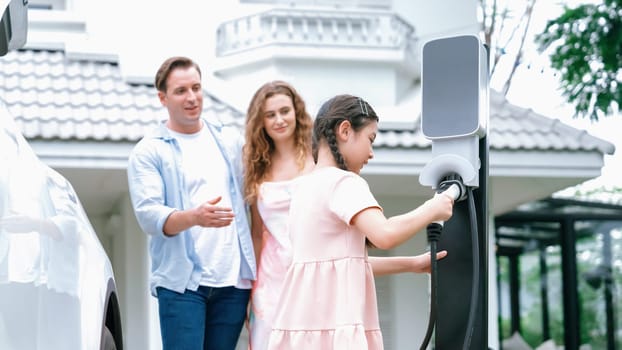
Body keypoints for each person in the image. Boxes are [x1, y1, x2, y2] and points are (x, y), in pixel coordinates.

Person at [243, 83, 450, 350]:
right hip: (338, 331)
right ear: (344, 130)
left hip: (301, 334)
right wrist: (435, 206)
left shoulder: (303, 189)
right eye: (370, 139)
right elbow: (384, 234)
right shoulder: (344, 183)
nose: (371, 153)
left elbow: (340, 263)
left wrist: (410, 264)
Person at [127, 56, 256, 350]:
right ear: (163, 98)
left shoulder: (229, 140)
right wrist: (195, 217)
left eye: (196, 88)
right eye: (181, 91)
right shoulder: (149, 151)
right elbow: (149, 216)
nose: (192, 98)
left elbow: (255, 194)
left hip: (233, 284)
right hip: (182, 285)